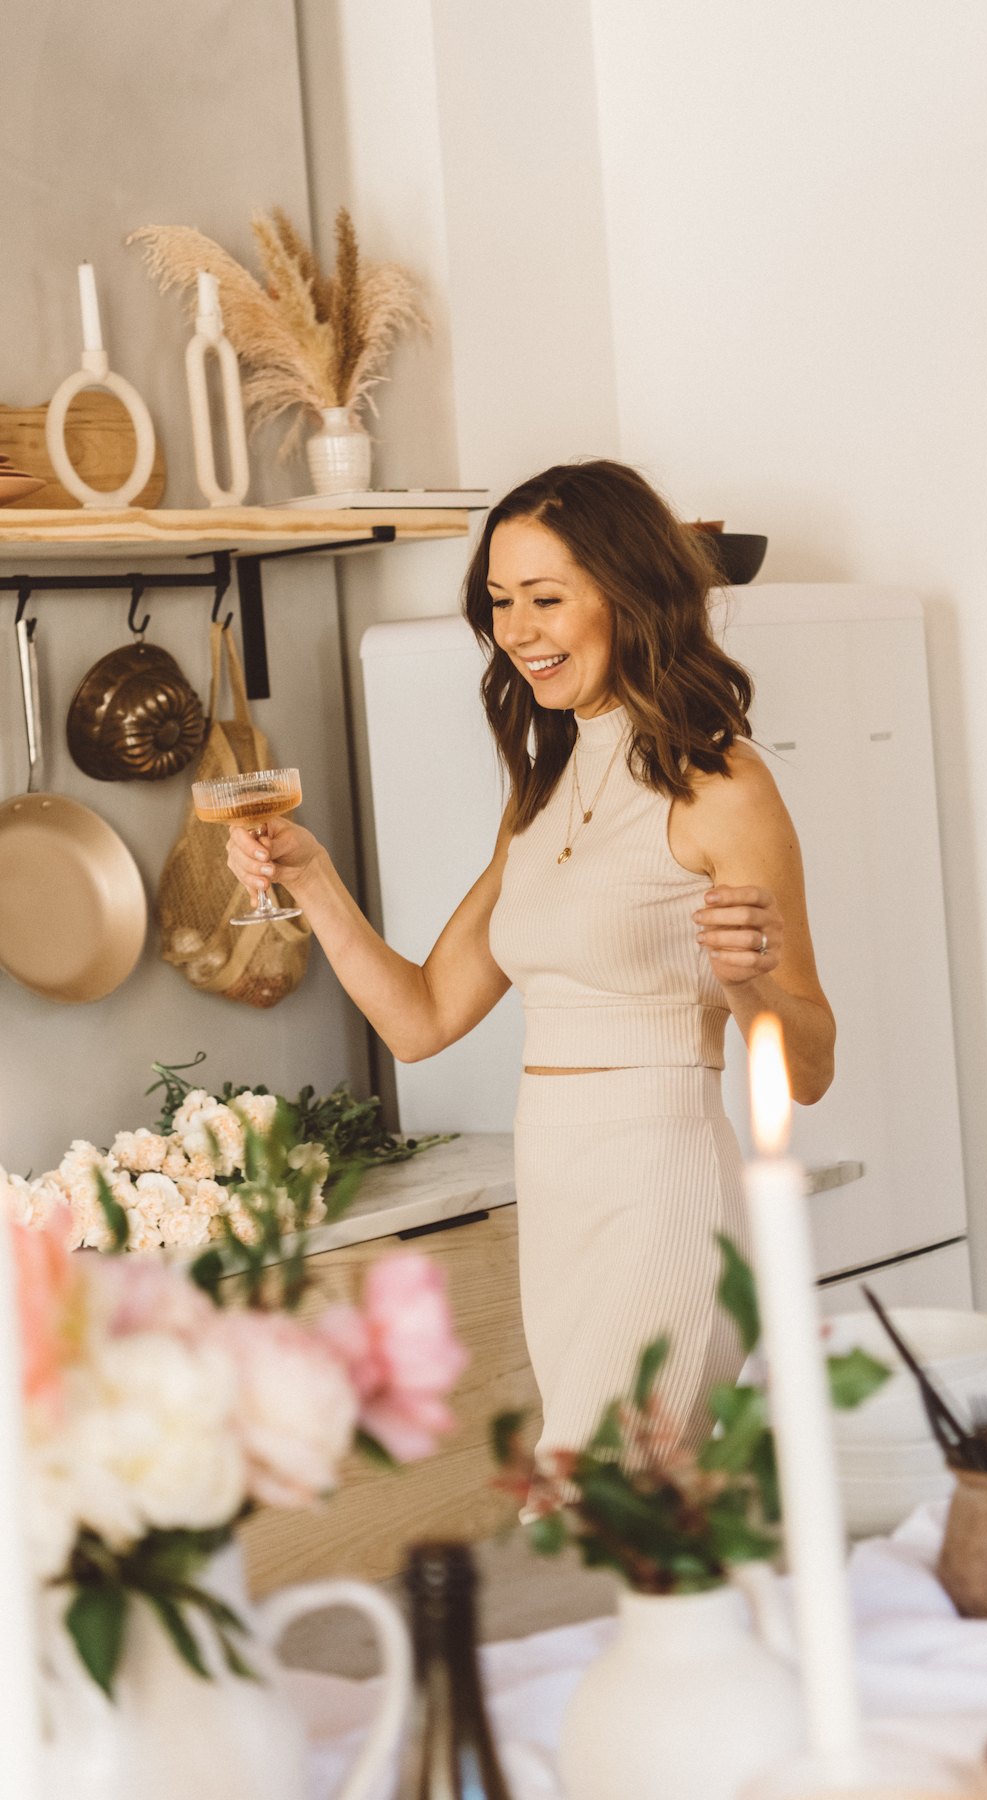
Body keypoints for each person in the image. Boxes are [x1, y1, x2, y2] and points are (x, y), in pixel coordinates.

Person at [226, 459, 835, 1467]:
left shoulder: (723, 784)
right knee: (618, 1522)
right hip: (557, 1187)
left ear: (629, 596)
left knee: (610, 1490)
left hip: (662, 1186)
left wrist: (743, 977)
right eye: (501, 602)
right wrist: (314, 880)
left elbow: (808, 1063)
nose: (516, 631)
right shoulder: (545, 789)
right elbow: (421, 1021)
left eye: (547, 599)